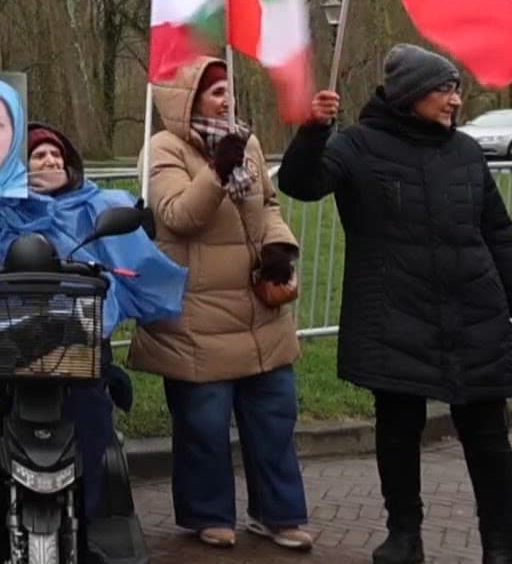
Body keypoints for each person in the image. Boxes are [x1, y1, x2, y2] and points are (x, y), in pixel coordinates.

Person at [279, 46, 512, 564]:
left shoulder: (468, 154)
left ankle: (500, 542)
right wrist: (314, 131)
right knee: (398, 432)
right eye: (444, 89)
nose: (455, 100)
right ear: (410, 97)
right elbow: (301, 183)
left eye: (457, 89)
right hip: (395, 315)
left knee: (489, 437)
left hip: (474, 313)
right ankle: (404, 535)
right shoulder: (358, 147)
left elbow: (497, 233)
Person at [0, 123, 187, 523]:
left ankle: (95, 515)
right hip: (7, 341)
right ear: (19, 167)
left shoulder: (96, 205)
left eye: (57, 155)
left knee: (93, 416)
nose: (51, 160)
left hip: (78, 344)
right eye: (39, 155)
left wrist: (142, 220)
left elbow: (130, 249)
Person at [129, 57, 311, 552]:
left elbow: (267, 205)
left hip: (259, 312)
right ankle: (208, 513)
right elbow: (177, 215)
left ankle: (280, 513)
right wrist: (216, 170)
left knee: (275, 417)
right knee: (204, 425)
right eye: (214, 93)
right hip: (197, 315)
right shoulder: (162, 150)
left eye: (228, 90)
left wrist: (279, 245)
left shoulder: (246, 141)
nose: (226, 100)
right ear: (188, 102)